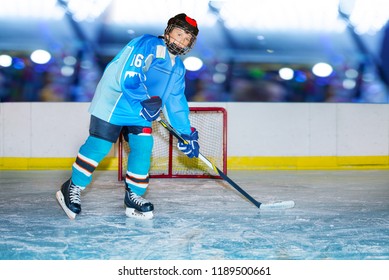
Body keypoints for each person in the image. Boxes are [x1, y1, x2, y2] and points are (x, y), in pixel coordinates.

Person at [56, 13, 200, 220]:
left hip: (141, 110)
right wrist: (144, 100)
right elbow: (131, 75)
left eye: (187, 39)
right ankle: (72, 186)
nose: (182, 41)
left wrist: (185, 133)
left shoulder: (178, 67)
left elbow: (176, 102)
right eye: (179, 34)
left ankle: (133, 196)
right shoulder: (148, 44)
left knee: (143, 147)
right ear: (168, 31)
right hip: (114, 103)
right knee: (100, 146)